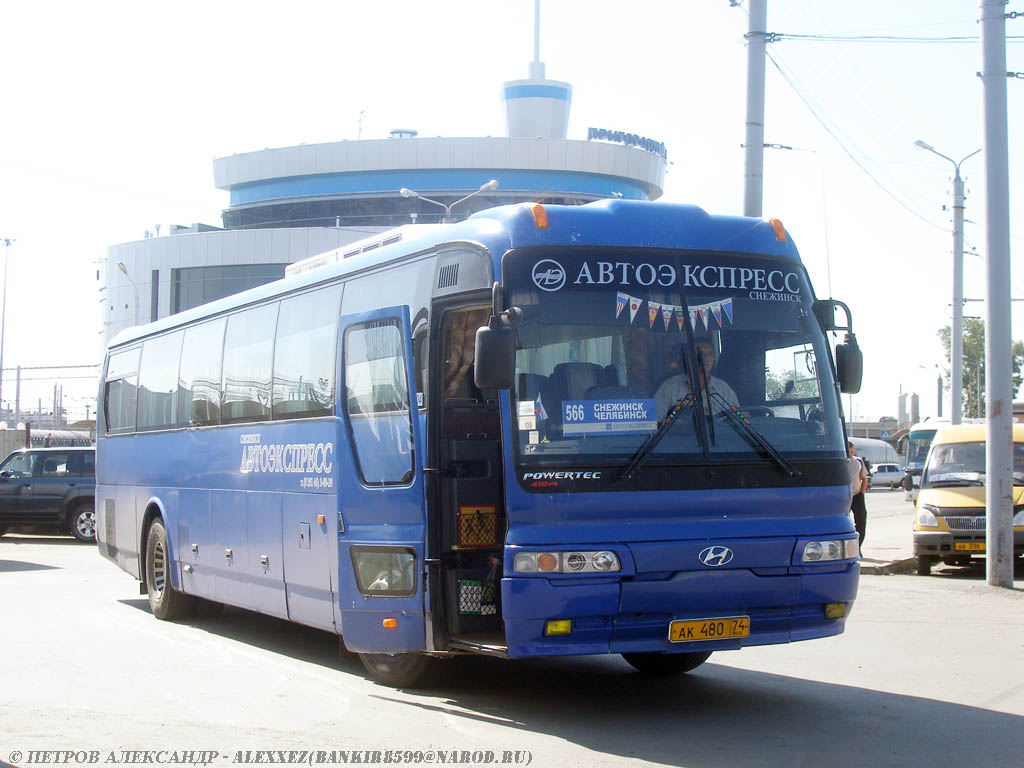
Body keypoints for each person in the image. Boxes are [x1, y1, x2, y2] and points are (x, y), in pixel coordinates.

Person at [654, 337, 739, 419]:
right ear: (689, 358)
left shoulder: (723, 388)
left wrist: (742, 416)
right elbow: (655, 423)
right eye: (700, 354)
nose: (706, 358)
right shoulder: (670, 387)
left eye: (709, 354)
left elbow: (739, 419)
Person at [848, 441, 868, 546]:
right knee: (845, 522)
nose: (851, 454)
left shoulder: (858, 461)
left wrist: (862, 493)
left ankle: (858, 546)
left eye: (853, 451)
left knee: (861, 520)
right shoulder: (840, 462)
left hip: (857, 495)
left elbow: (864, 479)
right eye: (849, 452)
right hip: (844, 497)